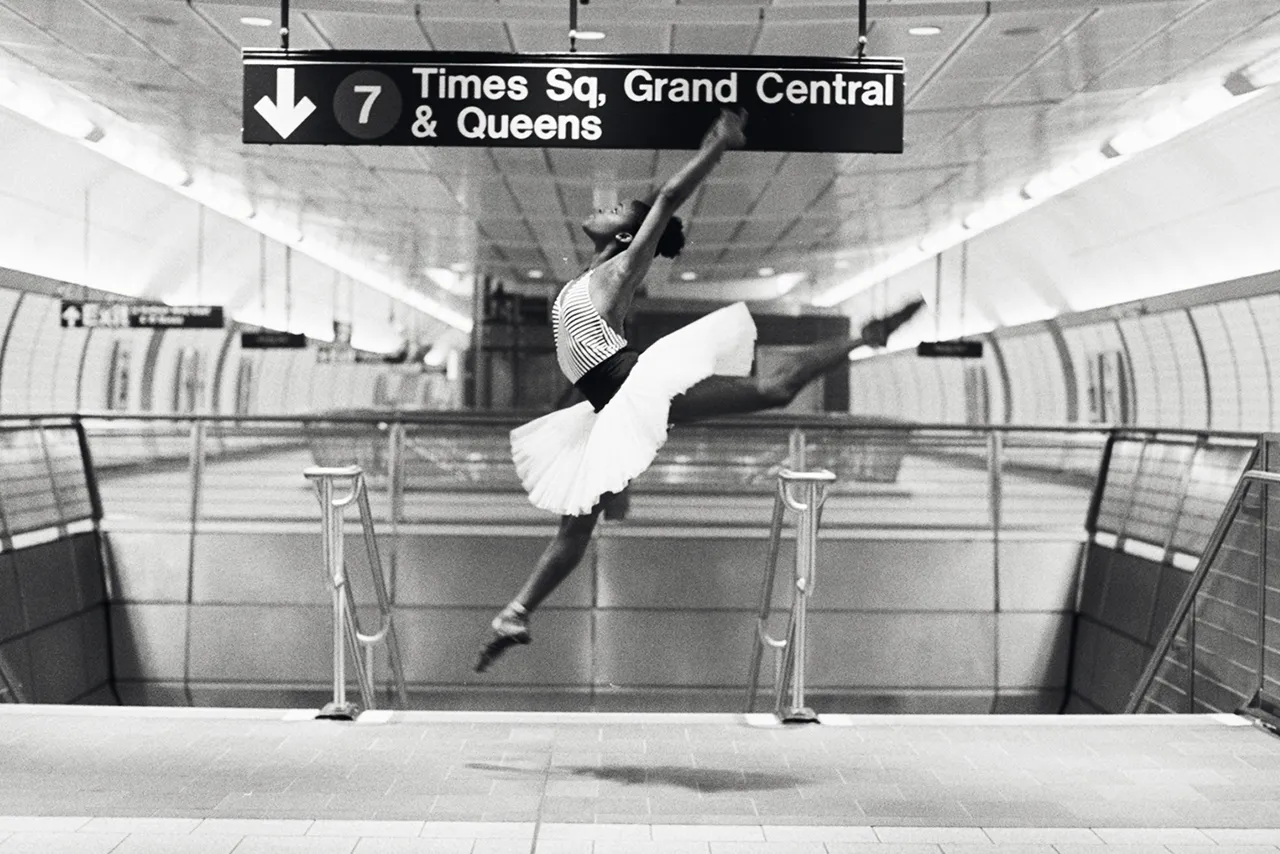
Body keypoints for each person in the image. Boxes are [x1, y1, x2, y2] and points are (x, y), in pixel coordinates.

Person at [476, 108, 923, 672]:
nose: (601, 208)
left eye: (614, 211)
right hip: (606, 406)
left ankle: (865, 337)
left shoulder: (618, 271)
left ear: (625, 235)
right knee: (575, 524)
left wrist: (718, 147)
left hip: (632, 389)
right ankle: (514, 614)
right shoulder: (580, 282)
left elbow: (664, 200)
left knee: (772, 392)